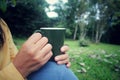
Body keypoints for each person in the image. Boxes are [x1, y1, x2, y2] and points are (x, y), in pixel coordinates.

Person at [0, 18, 78, 80]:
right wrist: (17, 70)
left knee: (58, 67)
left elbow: (12, 57)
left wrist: (36, 58)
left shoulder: (2, 25)